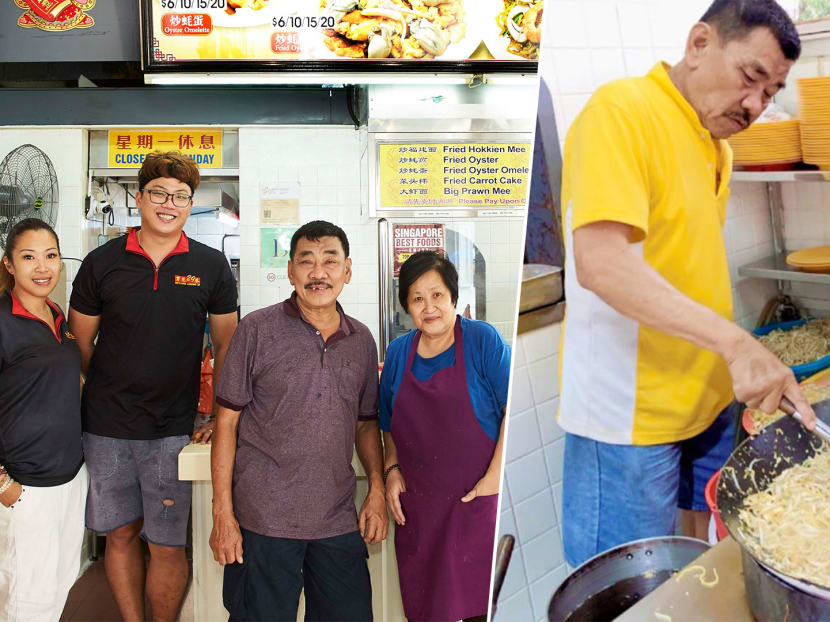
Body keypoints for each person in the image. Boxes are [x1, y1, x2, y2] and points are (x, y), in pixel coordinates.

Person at [557, 0, 817, 568]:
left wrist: (734, 364)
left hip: (704, 400)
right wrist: (736, 343)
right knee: (627, 586)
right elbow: (600, 262)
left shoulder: (715, 144)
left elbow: (680, 268)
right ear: (699, 44)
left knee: (692, 570)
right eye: (751, 77)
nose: (755, 104)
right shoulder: (622, 111)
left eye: (770, 92)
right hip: (630, 417)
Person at [69, 151, 239, 622]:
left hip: (173, 428)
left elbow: (227, 345)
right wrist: (104, 391)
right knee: (119, 535)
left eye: (181, 196)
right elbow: (80, 345)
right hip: (106, 427)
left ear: (190, 203)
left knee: (166, 544)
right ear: (141, 197)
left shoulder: (210, 266)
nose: (170, 204)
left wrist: (217, 415)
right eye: (160, 194)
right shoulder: (102, 263)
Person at [209, 220, 387, 622]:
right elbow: (226, 425)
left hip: (337, 519)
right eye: (306, 261)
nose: (318, 273)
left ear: (348, 270)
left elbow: (365, 425)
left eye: (330, 261)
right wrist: (222, 514)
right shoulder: (255, 329)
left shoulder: (361, 340)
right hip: (262, 522)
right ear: (290, 271)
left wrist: (376, 488)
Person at [380, 251, 510, 622]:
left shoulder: (482, 341)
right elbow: (387, 424)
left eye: (436, 295)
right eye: (417, 298)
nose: (429, 307)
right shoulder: (397, 353)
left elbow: (511, 409)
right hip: (422, 514)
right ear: (407, 305)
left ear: (453, 296)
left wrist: (494, 478)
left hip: (476, 507)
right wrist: (392, 470)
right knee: (426, 612)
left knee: (481, 611)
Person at [0, 218, 88, 621]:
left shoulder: (56, 314)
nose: (42, 267)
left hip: (68, 478)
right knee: (27, 601)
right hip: (24, 485)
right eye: (29, 257)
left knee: (57, 586)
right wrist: (5, 485)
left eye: (50, 256)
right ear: (8, 264)